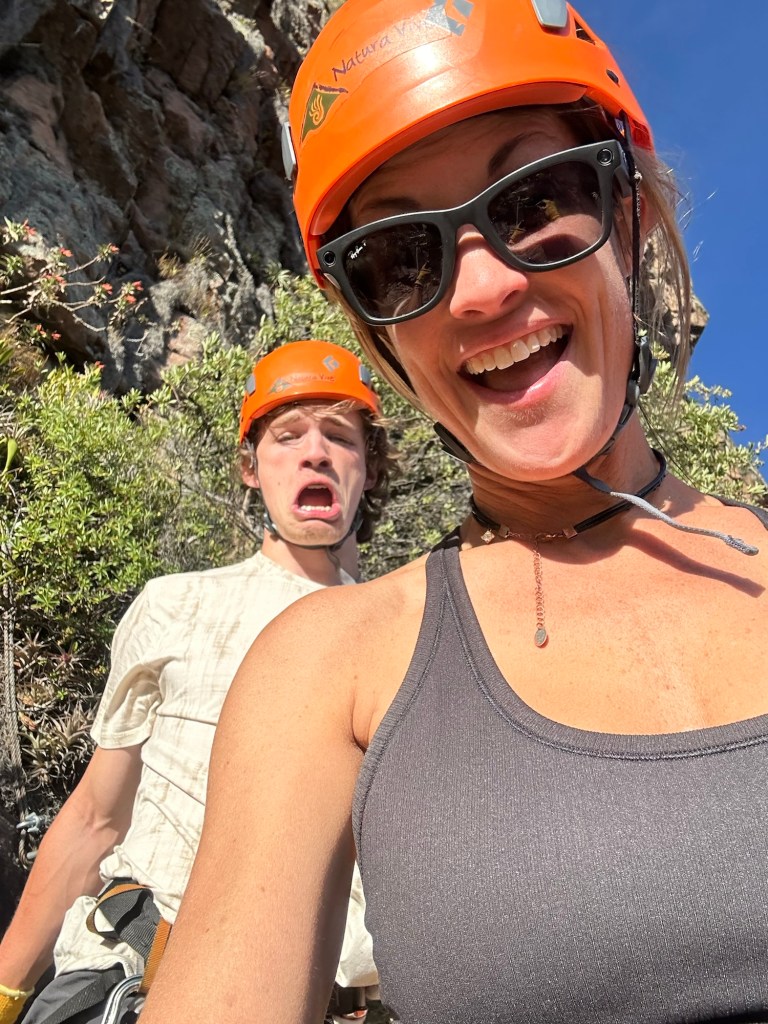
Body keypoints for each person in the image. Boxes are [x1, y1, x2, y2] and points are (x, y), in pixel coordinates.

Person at [139, 1, 768, 1022]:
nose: (478, 289)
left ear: (629, 215)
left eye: (534, 200)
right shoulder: (327, 668)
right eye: (400, 259)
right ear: (376, 332)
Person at [0, 339, 397, 1024]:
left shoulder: (404, 633)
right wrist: (7, 991)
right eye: (286, 436)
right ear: (250, 467)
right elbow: (96, 819)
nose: (315, 453)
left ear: (368, 468)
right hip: (135, 981)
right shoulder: (174, 605)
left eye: (340, 436)